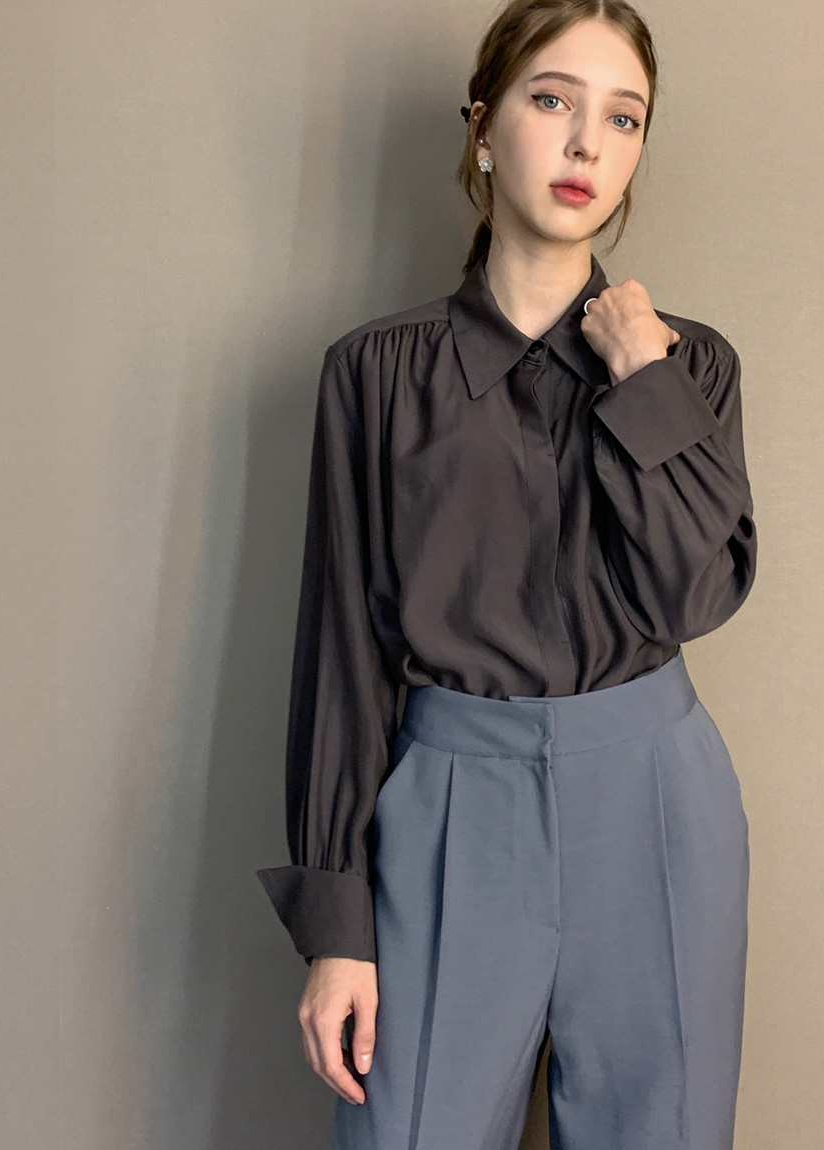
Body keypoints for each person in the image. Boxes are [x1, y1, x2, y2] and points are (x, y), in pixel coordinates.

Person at [257, 1, 758, 1147]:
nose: (587, 142)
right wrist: (338, 925)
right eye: (552, 99)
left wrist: (643, 385)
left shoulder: (691, 366)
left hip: (655, 801)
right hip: (449, 807)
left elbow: (697, 595)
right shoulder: (375, 376)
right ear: (484, 126)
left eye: (623, 117)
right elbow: (340, 656)